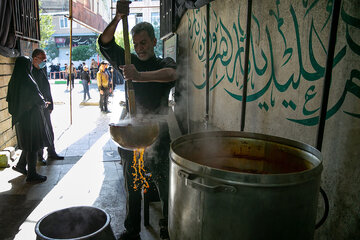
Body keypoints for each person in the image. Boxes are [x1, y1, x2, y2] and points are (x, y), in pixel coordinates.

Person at [99, 2, 177, 239]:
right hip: (132, 131)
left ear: (154, 42)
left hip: (158, 131)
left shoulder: (163, 63)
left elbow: (172, 74)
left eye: (144, 43)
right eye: (136, 44)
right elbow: (105, 42)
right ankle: (132, 229)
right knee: (132, 183)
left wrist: (139, 76)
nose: (140, 48)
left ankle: (167, 225)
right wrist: (118, 17)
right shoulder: (127, 59)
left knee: (164, 182)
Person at [6, 56, 53, 183]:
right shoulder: (27, 80)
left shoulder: (14, 81)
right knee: (33, 145)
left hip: (20, 119)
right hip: (31, 119)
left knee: (27, 144)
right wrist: (44, 103)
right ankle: (32, 174)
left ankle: (21, 166)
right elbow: (37, 98)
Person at [31, 49, 64, 163]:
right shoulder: (30, 72)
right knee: (39, 131)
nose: (44, 61)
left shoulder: (42, 69)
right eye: (42, 59)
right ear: (35, 59)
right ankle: (40, 156)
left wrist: (50, 104)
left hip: (46, 105)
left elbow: (46, 88)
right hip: (37, 106)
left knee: (49, 129)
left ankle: (51, 151)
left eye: (45, 59)